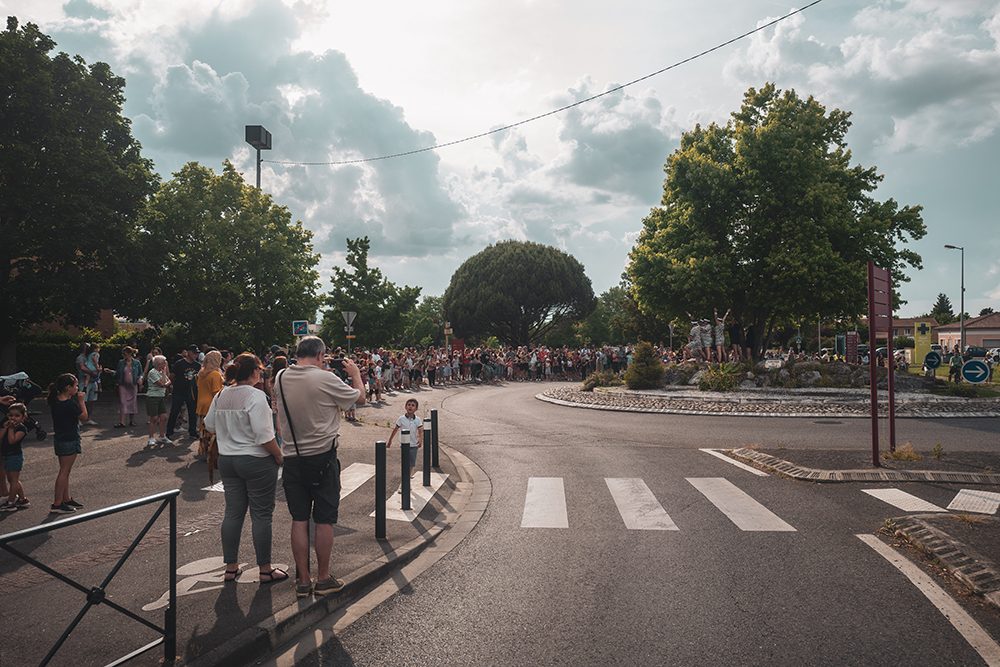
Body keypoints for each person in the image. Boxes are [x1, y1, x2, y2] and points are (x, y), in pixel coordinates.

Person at [274, 336, 365, 599]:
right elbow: (359, 399)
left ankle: (303, 581)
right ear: (320, 355)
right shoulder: (325, 379)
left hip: (292, 457)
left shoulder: (280, 377)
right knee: (324, 520)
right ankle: (323, 578)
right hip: (323, 458)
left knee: (299, 519)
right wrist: (356, 373)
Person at [204, 353, 287, 584]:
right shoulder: (255, 395)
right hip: (256, 460)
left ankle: (231, 567)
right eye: (260, 370)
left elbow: (209, 424)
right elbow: (264, 436)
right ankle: (265, 569)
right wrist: (279, 456)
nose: (261, 374)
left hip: (228, 460)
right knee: (261, 514)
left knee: (233, 512)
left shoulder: (222, 394)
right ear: (253, 372)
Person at [47, 373, 88, 514]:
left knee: (65, 470)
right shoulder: (69, 404)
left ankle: (66, 498)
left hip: (60, 438)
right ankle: (57, 503)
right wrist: (82, 401)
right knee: (64, 471)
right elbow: (84, 417)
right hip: (69, 439)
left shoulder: (55, 401)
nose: (77, 388)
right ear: (68, 388)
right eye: (75, 385)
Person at [166, 345, 201, 440]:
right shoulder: (179, 363)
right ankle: (169, 431)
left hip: (192, 392)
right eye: (194, 353)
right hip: (179, 391)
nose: (195, 355)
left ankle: (192, 432)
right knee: (174, 411)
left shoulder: (198, 365)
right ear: (188, 352)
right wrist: (173, 385)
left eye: (197, 353)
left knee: (193, 413)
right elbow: (172, 376)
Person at [196, 350, 225, 463]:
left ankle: (205, 450)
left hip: (201, 403)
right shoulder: (215, 374)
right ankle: (212, 453)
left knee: (204, 429)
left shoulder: (201, 373)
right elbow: (216, 392)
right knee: (213, 430)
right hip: (211, 403)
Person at [1, 403, 30, 511]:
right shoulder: (7, 425)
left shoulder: (22, 429)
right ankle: (23, 499)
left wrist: (11, 429)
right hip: (7, 456)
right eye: (11, 415)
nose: (13, 418)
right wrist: (5, 427)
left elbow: (12, 440)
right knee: (12, 479)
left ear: (23, 417)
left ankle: (11, 502)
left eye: (17, 416)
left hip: (15, 456)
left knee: (13, 480)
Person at [386, 398, 423, 470]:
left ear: (416, 409)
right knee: (405, 461)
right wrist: (390, 440)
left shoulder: (417, 419)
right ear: (405, 407)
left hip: (414, 444)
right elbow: (395, 429)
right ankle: (405, 476)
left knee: (412, 462)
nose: (410, 407)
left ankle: (408, 476)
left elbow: (420, 430)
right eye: (409, 405)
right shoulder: (401, 418)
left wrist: (420, 439)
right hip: (404, 444)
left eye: (413, 405)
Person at [145, 355, 172, 446]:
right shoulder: (152, 372)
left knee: (163, 417)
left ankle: (162, 436)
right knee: (154, 418)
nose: (165, 364)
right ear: (158, 364)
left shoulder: (161, 372)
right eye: (164, 363)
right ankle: (151, 438)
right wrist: (165, 381)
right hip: (152, 397)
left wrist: (165, 380)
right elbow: (162, 384)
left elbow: (169, 381)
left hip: (160, 397)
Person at [115, 346, 143, 428]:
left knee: (132, 403)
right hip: (123, 385)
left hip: (133, 385)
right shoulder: (121, 362)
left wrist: (140, 379)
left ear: (130, 354)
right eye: (123, 354)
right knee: (123, 402)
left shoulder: (137, 363)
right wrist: (111, 372)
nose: (124, 356)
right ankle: (122, 422)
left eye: (125, 354)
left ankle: (131, 421)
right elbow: (118, 373)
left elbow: (141, 373)